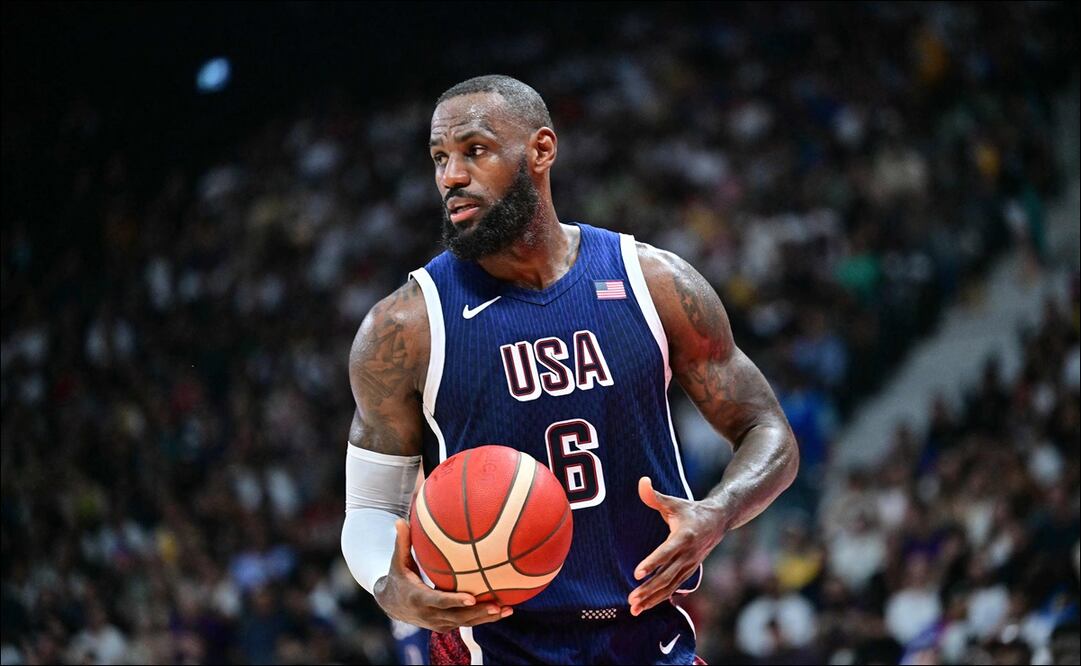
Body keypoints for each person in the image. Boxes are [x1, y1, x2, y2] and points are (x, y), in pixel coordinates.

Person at [341, 75, 799, 665]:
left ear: (541, 149)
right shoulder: (405, 326)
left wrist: (718, 511)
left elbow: (768, 431)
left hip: (648, 637)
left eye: (475, 150)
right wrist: (387, 583)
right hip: (497, 644)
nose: (451, 176)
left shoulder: (652, 283)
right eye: (439, 158)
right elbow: (371, 507)